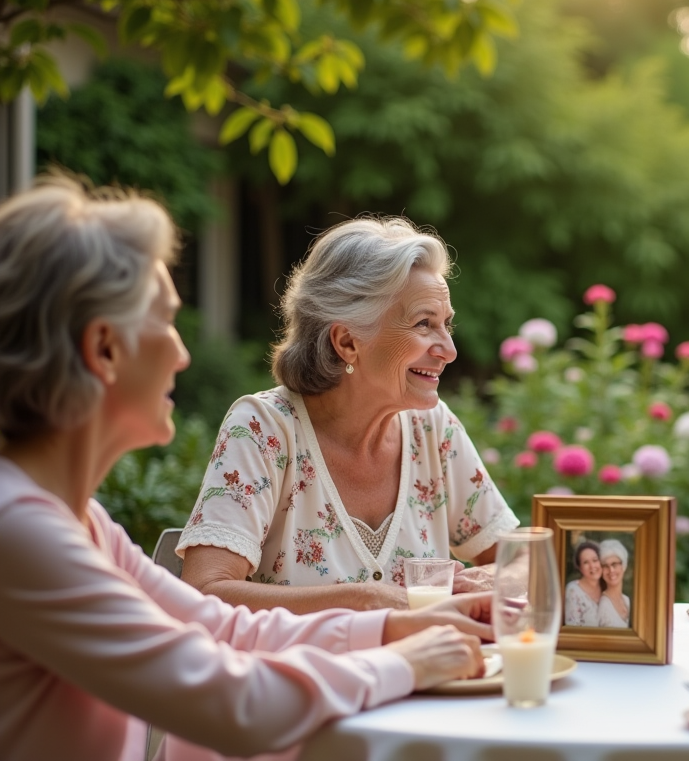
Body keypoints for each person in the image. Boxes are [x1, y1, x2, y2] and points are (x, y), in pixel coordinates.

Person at [0, 177, 491, 760]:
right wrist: (399, 661)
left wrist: (387, 626)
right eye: (165, 321)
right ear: (104, 348)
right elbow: (234, 704)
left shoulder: (81, 524)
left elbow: (221, 627)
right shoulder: (20, 532)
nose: (183, 353)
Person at [178, 215, 519, 612]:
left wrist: (492, 577)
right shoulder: (263, 428)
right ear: (347, 342)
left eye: (446, 324)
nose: (449, 349)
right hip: (305, 675)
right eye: (424, 324)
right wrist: (368, 599)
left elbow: (522, 558)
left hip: (427, 673)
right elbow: (205, 594)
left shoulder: (433, 429)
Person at [564, 540, 603, 627]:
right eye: (586, 562)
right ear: (580, 568)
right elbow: (572, 629)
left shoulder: (607, 587)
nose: (592, 566)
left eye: (595, 560)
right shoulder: (573, 591)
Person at [597, 538, 631, 628]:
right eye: (605, 566)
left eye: (614, 564)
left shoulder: (627, 600)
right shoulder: (602, 606)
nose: (611, 570)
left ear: (623, 566)